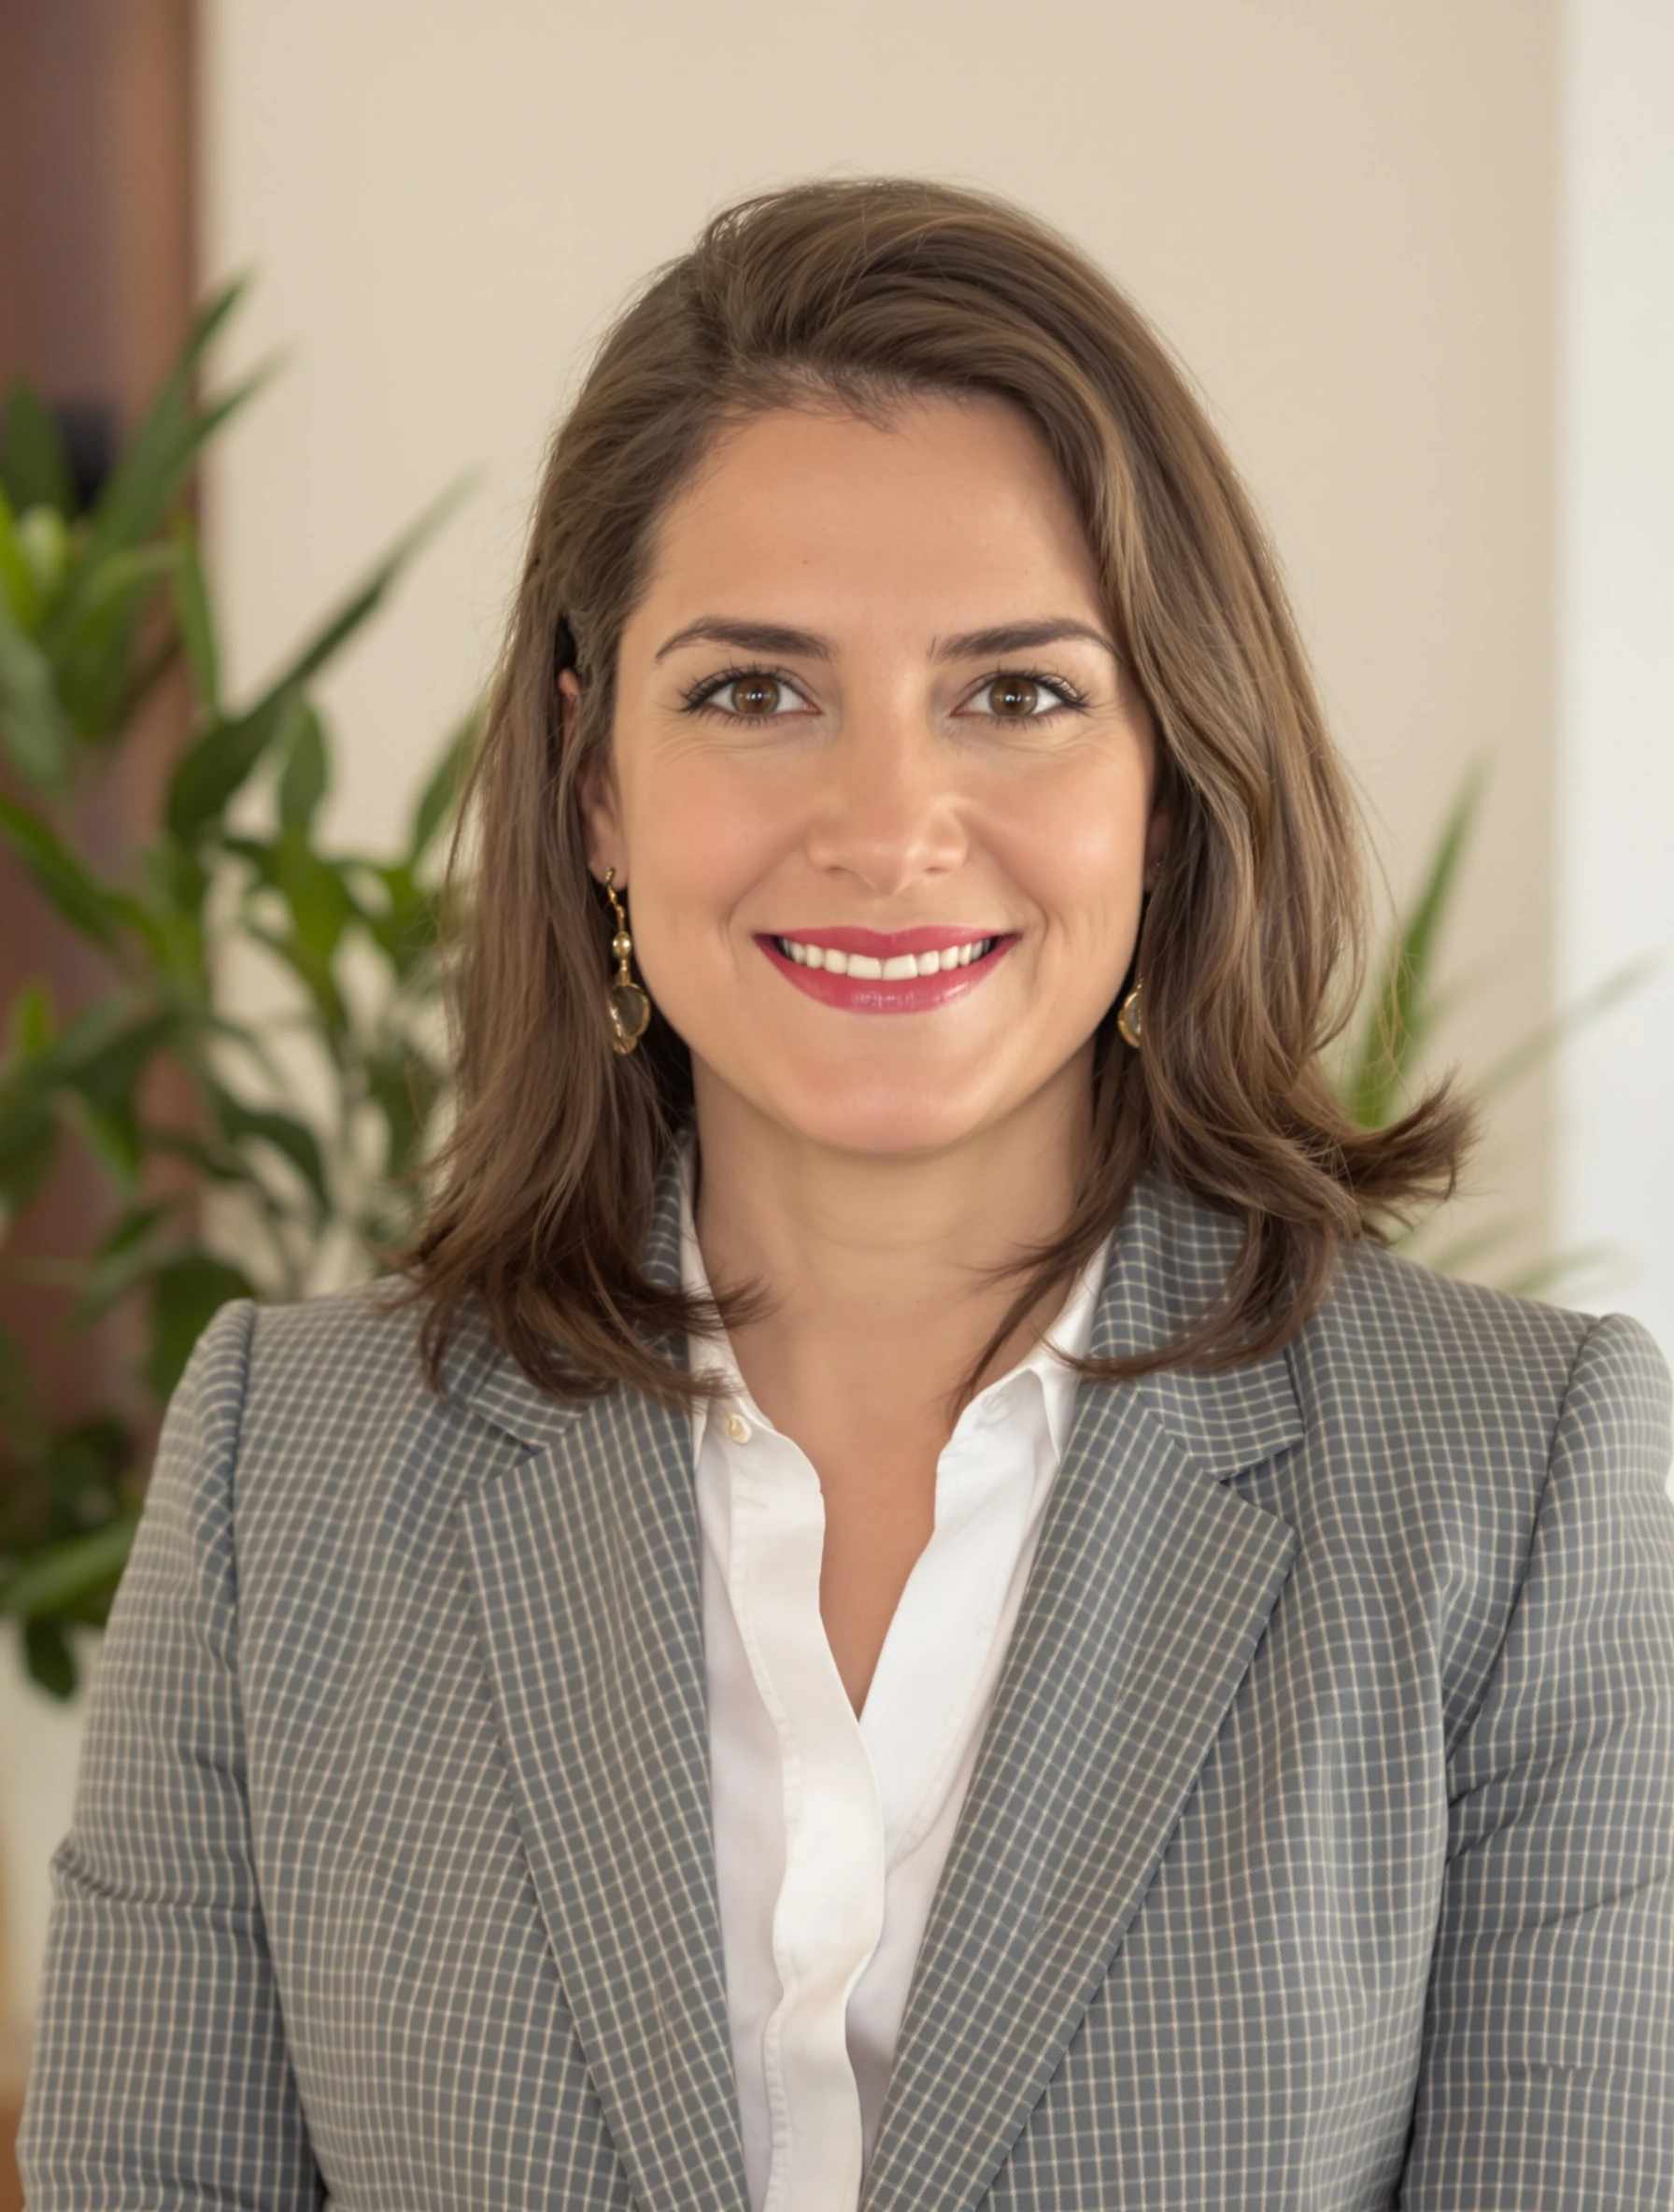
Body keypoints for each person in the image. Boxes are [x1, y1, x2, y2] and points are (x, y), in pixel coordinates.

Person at [19, 177, 1674, 2212]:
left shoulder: (1509, 1480)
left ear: (1166, 777)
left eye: (1015, 691)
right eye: (751, 690)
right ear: (596, 779)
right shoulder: (290, 1468)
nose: (886, 826)